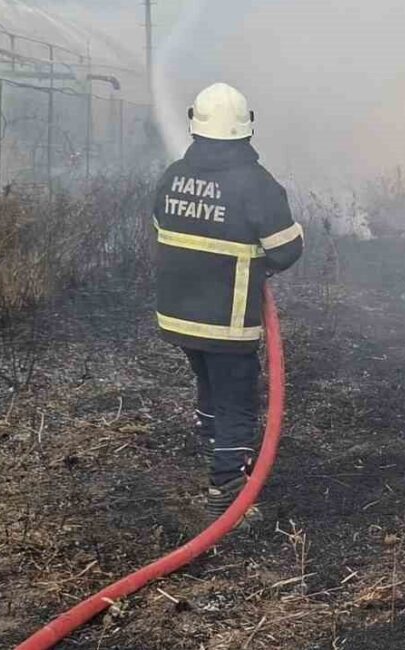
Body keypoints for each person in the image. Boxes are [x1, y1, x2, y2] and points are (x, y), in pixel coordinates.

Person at [152, 82, 303, 523]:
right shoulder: (255, 184)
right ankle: (228, 490)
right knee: (237, 397)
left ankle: (208, 431)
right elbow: (285, 250)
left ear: (195, 125)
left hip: (179, 314)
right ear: (246, 128)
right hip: (227, 319)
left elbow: (163, 226)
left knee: (207, 378)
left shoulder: (173, 175)